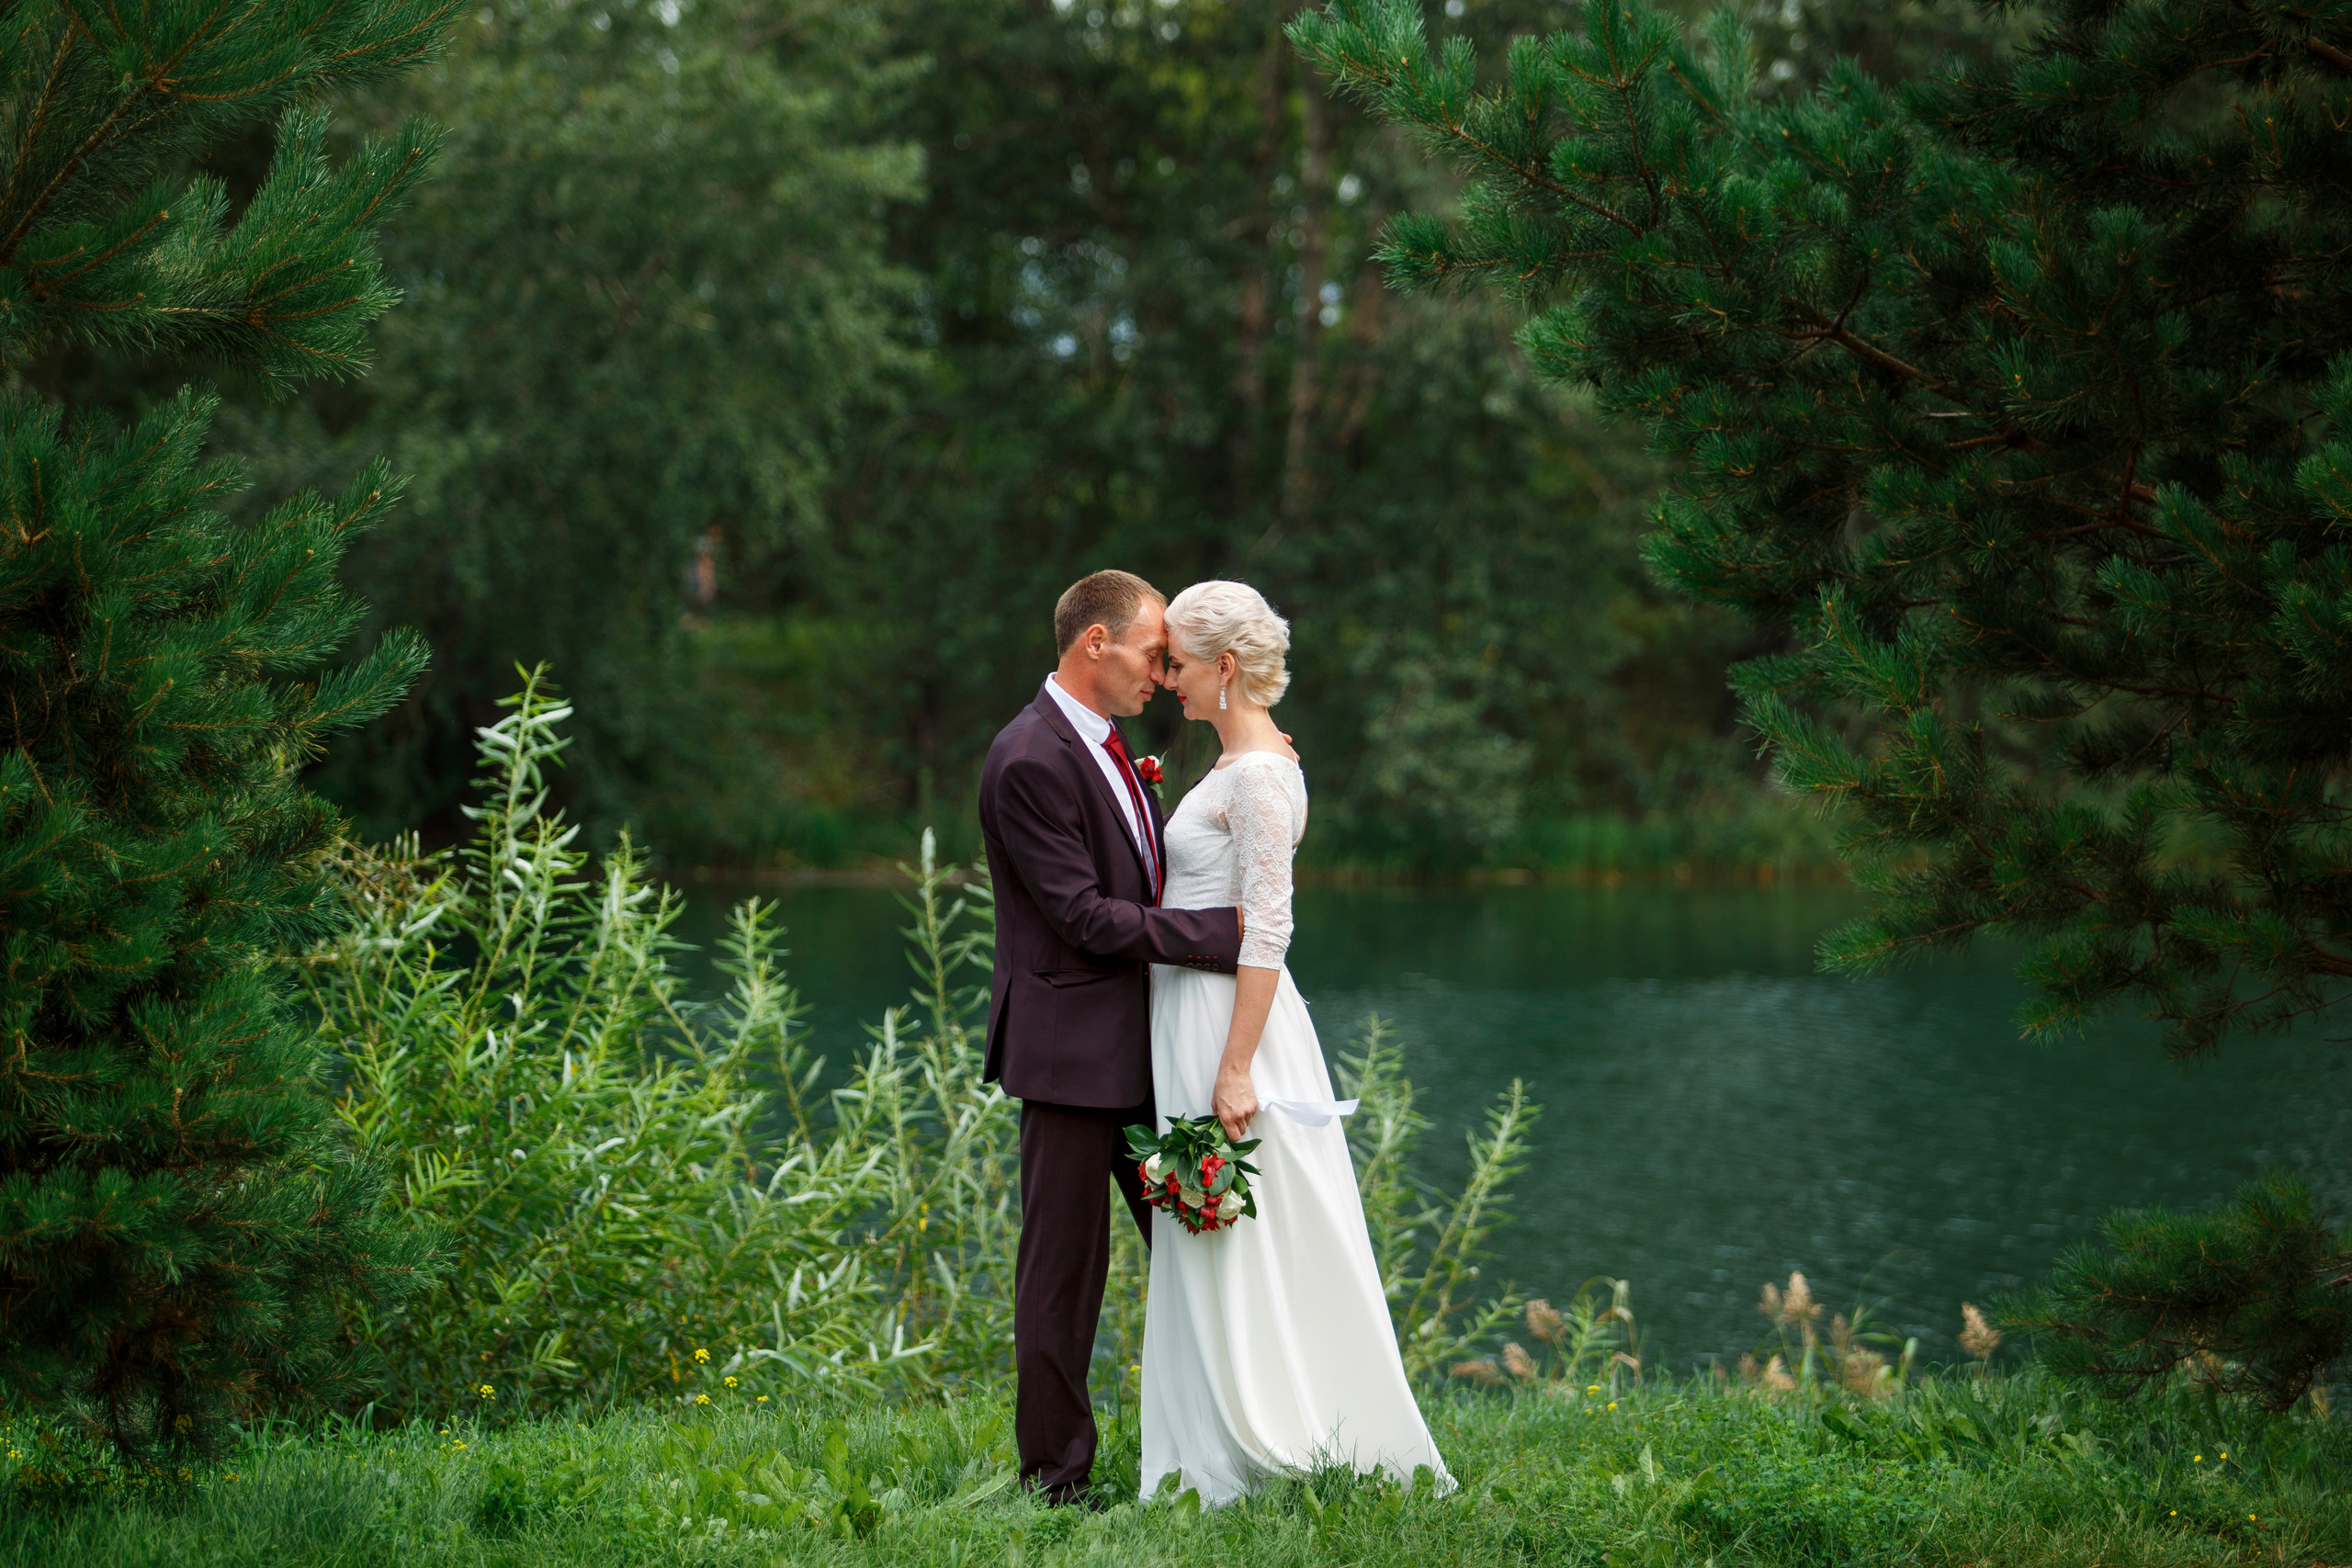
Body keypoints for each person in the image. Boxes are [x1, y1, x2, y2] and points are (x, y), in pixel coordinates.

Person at [1138, 579, 1453, 1505]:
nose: (1168, 681)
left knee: (1246, 1226)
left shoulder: (1263, 777)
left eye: (1181, 665)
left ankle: (1270, 1437)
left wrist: (1235, 1067)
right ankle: (1206, 1439)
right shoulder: (1243, 767)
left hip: (1229, 1027)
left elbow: (1266, 928)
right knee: (1210, 1230)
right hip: (1187, 1017)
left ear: (1226, 667)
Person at [977, 569, 1244, 1506]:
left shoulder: (1109, 746)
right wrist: (1226, 937)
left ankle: (1227, 1451)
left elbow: (1151, 873)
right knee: (1061, 1280)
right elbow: (1086, 918)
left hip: (1143, 1051)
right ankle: (1055, 1479)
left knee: (1204, 1241)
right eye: (1151, 651)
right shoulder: (1028, 759)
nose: (1163, 671)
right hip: (1065, 1058)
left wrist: (1250, 770)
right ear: (1095, 643)